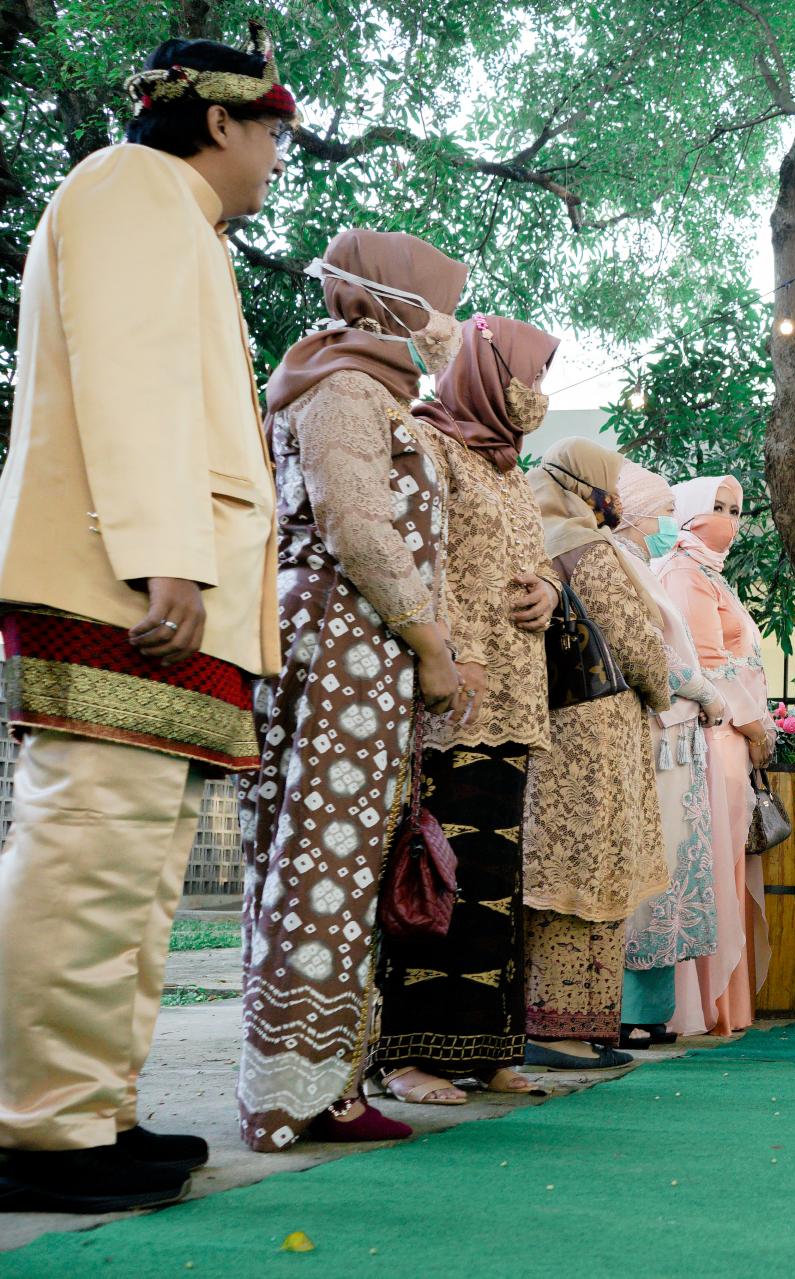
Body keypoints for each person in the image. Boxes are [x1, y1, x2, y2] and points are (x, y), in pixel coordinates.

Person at [0, 28, 293, 1211]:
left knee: (136, 861)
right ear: (219, 119)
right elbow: (131, 375)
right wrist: (163, 549)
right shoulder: (130, 184)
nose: (277, 158)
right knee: (89, 847)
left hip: (165, 580)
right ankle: (38, 1126)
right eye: (270, 133)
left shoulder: (180, 216)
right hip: (127, 574)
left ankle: (91, 1109)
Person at [240, 228, 472, 1150]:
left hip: (364, 648)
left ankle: (326, 1083)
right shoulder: (341, 386)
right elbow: (357, 525)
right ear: (383, 302)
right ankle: (296, 1094)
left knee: (345, 860)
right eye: (439, 306)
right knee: (321, 858)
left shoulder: (369, 387)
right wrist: (431, 643)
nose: (448, 327)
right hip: (343, 639)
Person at [371, 315, 562, 1104]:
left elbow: (535, 560)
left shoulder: (508, 465)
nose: (537, 391)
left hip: (515, 693)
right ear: (486, 372)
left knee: (493, 878)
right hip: (455, 691)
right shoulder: (431, 443)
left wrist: (548, 590)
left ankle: (486, 1049)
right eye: (528, 374)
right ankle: (409, 1056)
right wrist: (450, 652)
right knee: (435, 873)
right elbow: (421, 558)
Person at [521, 440, 672, 1069]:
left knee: (567, 874)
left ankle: (567, 1027)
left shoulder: (532, 537)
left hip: (556, 731)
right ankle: (560, 1032)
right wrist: (663, 688)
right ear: (586, 486)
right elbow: (637, 644)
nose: (612, 498)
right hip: (594, 740)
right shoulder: (586, 548)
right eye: (606, 484)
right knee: (586, 875)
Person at [657, 474, 778, 1037]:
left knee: (724, 863)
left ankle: (722, 1004)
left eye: (735, 509)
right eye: (718, 508)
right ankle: (698, 1006)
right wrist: (755, 727)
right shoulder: (684, 572)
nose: (729, 520)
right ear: (688, 511)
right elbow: (705, 665)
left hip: (731, 735)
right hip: (714, 733)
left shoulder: (711, 575)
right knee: (709, 865)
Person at [610, 462, 725, 1049]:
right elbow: (650, 648)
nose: (667, 525)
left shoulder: (639, 562)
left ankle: (654, 1011)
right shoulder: (618, 561)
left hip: (675, 735)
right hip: (656, 730)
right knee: (651, 869)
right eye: (659, 512)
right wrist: (705, 690)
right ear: (632, 510)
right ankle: (627, 1009)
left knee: (674, 869)